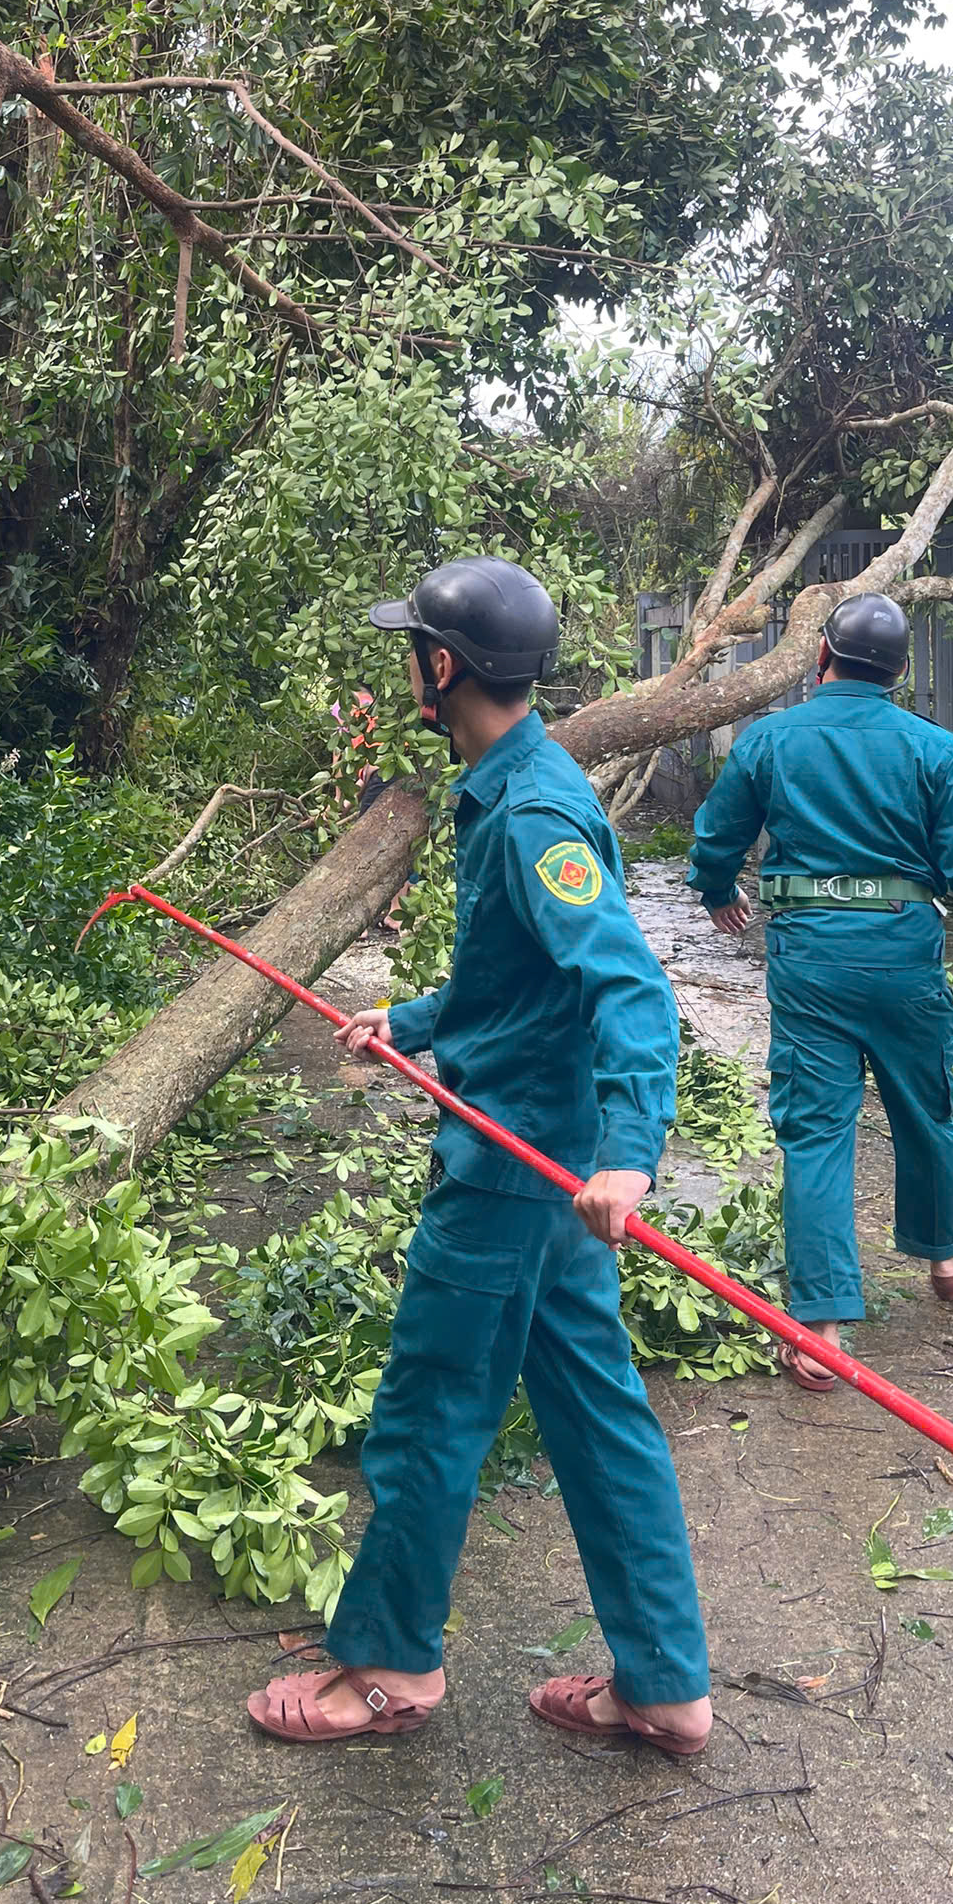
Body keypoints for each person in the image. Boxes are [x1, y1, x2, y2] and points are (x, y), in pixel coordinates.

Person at [246, 557, 712, 1757]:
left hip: (514, 1179)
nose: (409, 661)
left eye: (414, 646)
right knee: (598, 1418)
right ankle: (666, 1684)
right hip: (550, 1176)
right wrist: (414, 1020)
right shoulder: (511, 788)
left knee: (427, 1412)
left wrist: (632, 1154)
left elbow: (630, 988)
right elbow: (516, 982)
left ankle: (389, 1661)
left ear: (443, 667)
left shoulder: (535, 812)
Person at [685, 593, 953, 1389]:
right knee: (924, 1110)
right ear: (900, 672)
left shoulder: (770, 739)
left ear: (822, 655)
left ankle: (820, 1333)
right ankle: (948, 1259)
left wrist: (717, 887)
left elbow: (716, 834)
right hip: (903, 955)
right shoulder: (931, 748)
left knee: (817, 1131)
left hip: (809, 963)